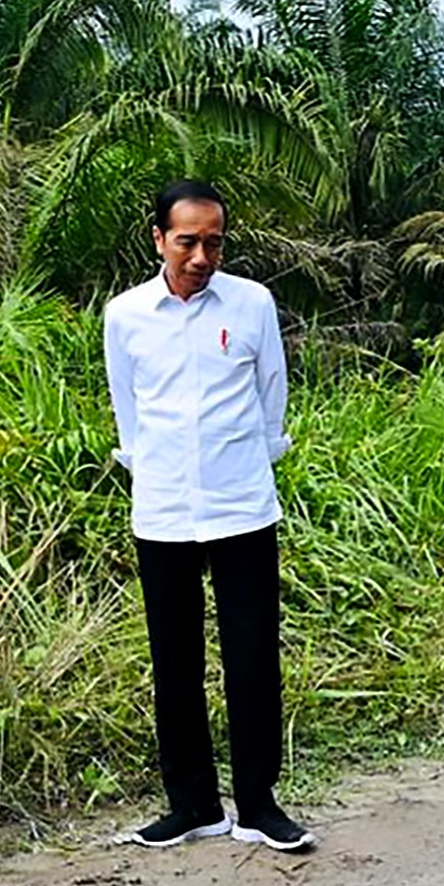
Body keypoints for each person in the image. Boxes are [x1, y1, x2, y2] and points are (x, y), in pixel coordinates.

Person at [103, 179, 315, 852]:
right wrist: (155, 469)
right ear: (159, 238)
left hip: (242, 504)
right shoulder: (126, 315)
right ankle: (192, 804)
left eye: (214, 242)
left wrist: (245, 464)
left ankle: (258, 806)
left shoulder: (253, 305)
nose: (201, 255)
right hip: (162, 508)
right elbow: (127, 411)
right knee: (175, 661)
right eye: (187, 241)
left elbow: (270, 399)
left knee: (252, 657)